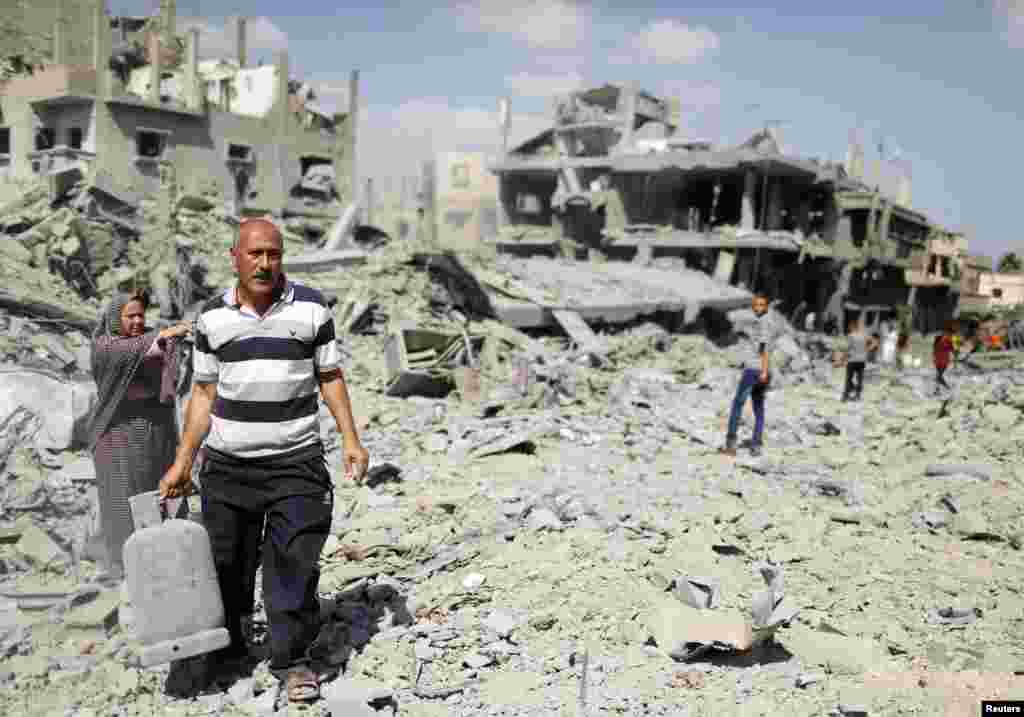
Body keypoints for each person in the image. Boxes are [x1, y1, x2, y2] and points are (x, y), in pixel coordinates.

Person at [159, 218, 369, 703]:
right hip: (228, 468)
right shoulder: (212, 318)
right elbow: (204, 393)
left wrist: (351, 440)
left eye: (273, 254)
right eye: (254, 254)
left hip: (297, 463)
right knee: (225, 566)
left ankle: (292, 660)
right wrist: (183, 461)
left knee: (292, 565)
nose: (264, 263)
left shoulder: (311, 308)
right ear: (234, 257)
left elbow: (330, 376)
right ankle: (228, 652)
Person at [87, 291, 191, 580]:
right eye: (129, 316)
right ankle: (124, 568)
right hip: (117, 432)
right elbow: (137, 350)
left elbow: (160, 353)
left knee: (160, 490)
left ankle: (166, 562)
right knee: (123, 500)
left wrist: (176, 342)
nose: (137, 321)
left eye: (140, 315)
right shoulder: (104, 346)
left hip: (154, 427)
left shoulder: (148, 338)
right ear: (114, 318)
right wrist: (167, 334)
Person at [720, 293, 775, 457]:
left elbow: (764, 349)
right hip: (762, 370)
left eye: (761, 305)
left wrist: (763, 370)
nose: (758, 307)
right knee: (758, 407)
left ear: (766, 307)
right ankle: (756, 445)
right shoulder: (764, 322)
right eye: (756, 304)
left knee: (738, 404)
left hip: (754, 370)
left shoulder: (763, 324)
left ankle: (730, 444)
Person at [841, 318, 879, 402]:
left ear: (852, 327)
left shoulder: (851, 336)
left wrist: (842, 359)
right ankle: (857, 396)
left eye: (849, 326)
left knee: (848, 379)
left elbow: (847, 349)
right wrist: (867, 349)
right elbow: (875, 342)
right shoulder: (864, 335)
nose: (849, 328)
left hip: (852, 360)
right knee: (860, 379)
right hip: (862, 360)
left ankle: (845, 396)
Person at [933, 321, 956, 392]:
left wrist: (955, 354)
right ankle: (946, 388)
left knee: (939, 375)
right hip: (939, 360)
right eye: (950, 334)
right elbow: (935, 347)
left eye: (951, 334)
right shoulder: (939, 338)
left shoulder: (949, 340)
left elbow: (952, 350)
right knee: (939, 375)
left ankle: (938, 389)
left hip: (944, 360)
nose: (951, 335)